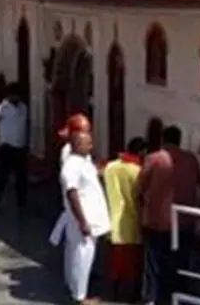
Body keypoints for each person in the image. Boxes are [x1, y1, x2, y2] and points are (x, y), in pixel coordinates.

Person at [135, 125, 200, 305]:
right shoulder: (191, 159)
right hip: (185, 220)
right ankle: (179, 295)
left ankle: (153, 298)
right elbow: (198, 183)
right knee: (180, 261)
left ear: (163, 140)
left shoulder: (154, 159)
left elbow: (140, 186)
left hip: (157, 221)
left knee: (155, 262)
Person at [58, 130, 110, 303]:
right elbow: (72, 192)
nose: (91, 146)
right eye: (88, 143)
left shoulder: (83, 162)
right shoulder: (71, 166)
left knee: (77, 253)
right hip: (83, 218)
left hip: (89, 217)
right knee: (82, 255)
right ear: (77, 145)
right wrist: (82, 221)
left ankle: (73, 287)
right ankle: (80, 296)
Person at [103, 137, 146, 302]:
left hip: (112, 220)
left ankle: (113, 293)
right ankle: (132, 296)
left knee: (116, 263)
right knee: (133, 264)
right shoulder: (137, 171)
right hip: (132, 223)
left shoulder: (111, 167)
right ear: (141, 152)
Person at [0, 82, 29, 209]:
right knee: (4, 173)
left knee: (21, 175)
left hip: (20, 145)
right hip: (6, 146)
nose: (16, 97)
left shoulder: (23, 108)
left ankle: (22, 201)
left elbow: (26, 125)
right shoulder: (1, 108)